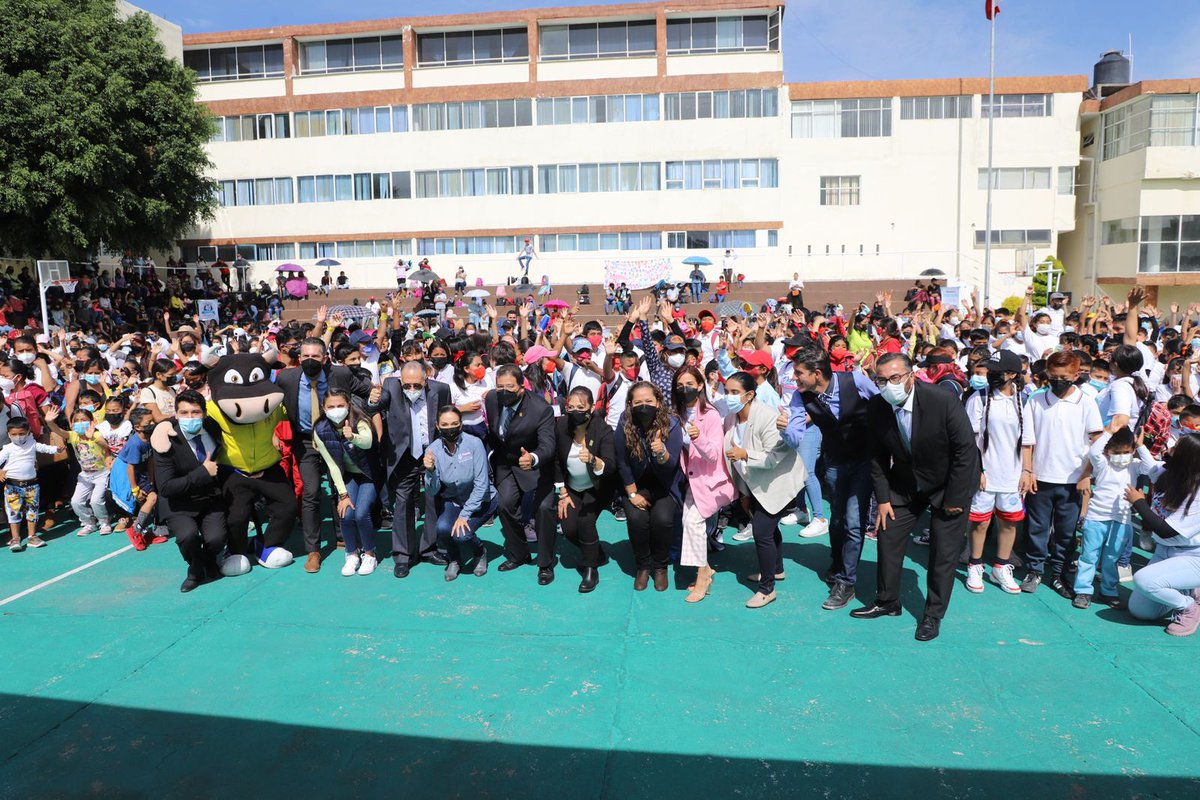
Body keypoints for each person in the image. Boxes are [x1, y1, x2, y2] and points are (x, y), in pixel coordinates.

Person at [854, 353, 981, 641]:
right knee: (888, 536)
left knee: (942, 554)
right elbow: (876, 457)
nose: (889, 385)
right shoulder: (877, 406)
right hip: (906, 483)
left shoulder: (942, 400)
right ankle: (888, 601)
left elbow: (965, 452)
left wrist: (955, 498)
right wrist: (883, 499)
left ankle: (932, 616)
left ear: (911, 375)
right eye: (882, 380)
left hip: (950, 484)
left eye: (895, 378)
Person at [792, 347, 879, 611]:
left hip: (864, 461)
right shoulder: (801, 397)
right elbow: (795, 433)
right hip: (834, 463)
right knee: (838, 519)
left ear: (817, 374)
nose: (795, 379)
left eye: (799, 373)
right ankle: (838, 560)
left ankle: (846, 583)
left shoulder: (856, 380)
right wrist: (786, 430)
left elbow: (882, 407)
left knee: (854, 522)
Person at [274, 337, 366, 573]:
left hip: (334, 437)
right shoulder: (287, 378)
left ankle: (343, 535)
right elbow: (269, 401)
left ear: (324, 358)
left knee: (340, 487)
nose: (310, 360)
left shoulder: (341, 375)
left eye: (315, 356)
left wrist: (379, 393)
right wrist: (272, 432)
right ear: (299, 358)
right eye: (305, 356)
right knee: (311, 492)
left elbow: (364, 389)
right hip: (305, 442)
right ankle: (313, 550)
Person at [1021, 350, 1104, 596]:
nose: (1058, 381)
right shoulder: (1035, 401)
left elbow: (1096, 440)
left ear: (1076, 375)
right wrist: (1027, 469)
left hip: (1073, 480)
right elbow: (1028, 440)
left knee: (1066, 531)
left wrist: (1087, 474)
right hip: (1041, 476)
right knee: (1037, 527)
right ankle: (1035, 570)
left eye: (1064, 377)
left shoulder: (1087, 402)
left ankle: (1059, 573)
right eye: (1054, 376)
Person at [722, 372, 807, 608]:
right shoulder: (732, 417)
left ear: (749, 395)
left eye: (734, 392)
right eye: (726, 391)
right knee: (769, 529)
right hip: (756, 485)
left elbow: (774, 457)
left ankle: (767, 588)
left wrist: (745, 454)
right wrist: (746, 493)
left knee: (761, 532)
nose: (728, 396)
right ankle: (776, 569)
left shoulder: (767, 417)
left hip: (778, 482)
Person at [369, 361, 452, 578]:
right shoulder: (390, 387)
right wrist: (372, 400)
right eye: (407, 385)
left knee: (433, 501)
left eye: (417, 385)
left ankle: (428, 549)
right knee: (403, 505)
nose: (411, 390)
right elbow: (376, 406)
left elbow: (448, 418)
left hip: (431, 453)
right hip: (403, 456)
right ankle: (403, 556)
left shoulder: (441, 390)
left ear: (426, 380)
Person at [963, 350, 1034, 594]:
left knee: (1009, 522)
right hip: (984, 473)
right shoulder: (978, 399)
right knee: (980, 523)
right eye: (989, 370)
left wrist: (1026, 470)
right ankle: (975, 564)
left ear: (1012, 374)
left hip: (1012, 475)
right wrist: (977, 470)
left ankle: (1001, 567)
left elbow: (1027, 439)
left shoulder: (1024, 400)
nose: (991, 375)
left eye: (996, 371)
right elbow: (969, 440)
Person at [538, 386, 615, 592]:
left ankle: (591, 569)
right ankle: (595, 551)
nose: (575, 411)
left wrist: (593, 460)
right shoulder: (561, 425)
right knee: (569, 527)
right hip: (571, 487)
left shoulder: (603, 430)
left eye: (580, 407)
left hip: (597, 487)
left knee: (585, 520)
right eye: (570, 407)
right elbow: (556, 460)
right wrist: (562, 492)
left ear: (590, 408)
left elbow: (610, 465)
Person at [149, 390, 227, 592]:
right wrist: (202, 472)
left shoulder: (213, 429)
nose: (190, 417)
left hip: (210, 499)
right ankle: (195, 569)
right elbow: (166, 487)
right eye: (184, 413)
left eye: (195, 412)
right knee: (187, 536)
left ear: (204, 414)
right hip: (179, 503)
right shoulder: (165, 440)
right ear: (175, 414)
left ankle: (209, 561)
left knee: (217, 538)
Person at [483, 363, 555, 578]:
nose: (504, 392)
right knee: (505, 506)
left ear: (522, 388)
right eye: (500, 387)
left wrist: (533, 458)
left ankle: (545, 563)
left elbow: (548, 445)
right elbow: (496, 432)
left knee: (543, 510)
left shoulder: (541, 409)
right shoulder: (491, 399)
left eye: (510, 388)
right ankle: (518, 554)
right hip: (506, 463)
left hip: (535, 465)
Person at [1073, 428, 1158, 609]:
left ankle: (1108, 590)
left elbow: (1151, 466)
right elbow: (1094, 451)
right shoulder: (1103, 464)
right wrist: (1109, 432)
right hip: (1096, 517)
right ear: (1108, 451)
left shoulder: (1134, 466)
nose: (1122, 456)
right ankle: (1083, 590)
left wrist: (1141, 445)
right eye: (1117, 452)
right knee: (1089, 555)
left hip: (1122, 519)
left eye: (1126, 452)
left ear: (1132, 450)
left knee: (1112, 557)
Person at [1126, 434, 1200, 636]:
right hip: (1165, 551)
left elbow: (1166, 531)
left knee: (1143, 580)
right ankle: (1187, 588)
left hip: (1193, 556)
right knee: (1140, 611)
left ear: (1186, 457)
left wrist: (1139, 502)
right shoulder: (1171, 474)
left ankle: (1188, 606)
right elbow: (1151, 467)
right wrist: (1140, 445)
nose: (1171, 447)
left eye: (1176, 447)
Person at [615, 381, 685, 592]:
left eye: (648, 401)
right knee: (637, 520)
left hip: (665, 483)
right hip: (636, 483)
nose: (643, 406)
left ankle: (660, 566)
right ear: (630, 404)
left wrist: (661, 451)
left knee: (662, 520)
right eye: (638, 402)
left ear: (658, 402)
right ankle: (643, 565)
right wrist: (632, 493)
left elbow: (671, 466)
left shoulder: (671, 423)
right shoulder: (625, 422)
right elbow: (622, 462)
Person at [674, 366, 735, 602]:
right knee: (689, 523)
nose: (684, 389)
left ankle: (702, 576)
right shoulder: (677, 412)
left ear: (700, 386)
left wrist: (697, 438)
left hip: (709, 480)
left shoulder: (709, 415)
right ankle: (706, 568)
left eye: (689, 384)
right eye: (680, 385)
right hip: (689, 478)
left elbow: (713, 455)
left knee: (692, 522)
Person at [312, 389, 382, 577]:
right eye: (331, 406)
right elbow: (332, 464)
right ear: (324, 408)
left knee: (361, 513)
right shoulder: (320, 429)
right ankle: (351, 553)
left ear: (348, 405)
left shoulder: (360, 420)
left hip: (369, 473)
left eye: (340, 405)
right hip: (348, 475)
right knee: (345, 512)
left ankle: (369, 553)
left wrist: (352, 437)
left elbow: (367, 442)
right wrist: (342, 495)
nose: (336, 410)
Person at [424, 406, 495, 581]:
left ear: (461, 424)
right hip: (455, 500)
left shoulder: (474, 444)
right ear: (438, 426)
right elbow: (433, 490)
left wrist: (464, 515)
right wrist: (430, 471)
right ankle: (454, 559)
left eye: (454, 424)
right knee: (442, 528)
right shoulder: (432, 450)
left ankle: (480, 551)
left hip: (483, 499)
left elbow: (481, 484)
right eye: (445, 425)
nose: (450, 428)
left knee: (462, 534)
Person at [46, 406, 112, 537]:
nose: (80, 422)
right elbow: (58, 431)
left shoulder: (96, 434)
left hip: (101, 473)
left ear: (92, 422)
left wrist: (93, 437)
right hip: (85, 475)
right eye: (76, 420)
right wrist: (49, 422)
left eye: (84, 419)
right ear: (72, 424)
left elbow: (106, 446)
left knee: (96, 500)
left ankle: (104, 522)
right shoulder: (73, 436)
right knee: (76, 501)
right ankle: (89, 523)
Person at [0, 418, 63, 550]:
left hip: (31, 486)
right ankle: (15, 538)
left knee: (32, 512)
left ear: (28, 432)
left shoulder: (32, 444)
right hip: (12, 486)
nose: (18, 437)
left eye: (22, 433)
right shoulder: (7, 448)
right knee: (13, 513)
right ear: (9, 434)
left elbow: (44, 448)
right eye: (14, 434)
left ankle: (32, 537)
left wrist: (57, 449)